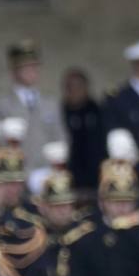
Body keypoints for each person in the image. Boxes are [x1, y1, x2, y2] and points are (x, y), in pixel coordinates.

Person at [0, 39, 64, 169]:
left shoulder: (50, 103)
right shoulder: (0, 103)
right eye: (26, 67)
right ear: (14, 71)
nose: (32, 71)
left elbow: (60, 137)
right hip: (13, 171)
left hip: (45, 172)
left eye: (34, 66)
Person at [61, 68, 106, 196]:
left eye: (78, 86)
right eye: (69, 87)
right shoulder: (60, 113)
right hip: (69, 178)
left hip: (96, 178)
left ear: (86, 87)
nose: (74, 90)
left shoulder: (98, 112)